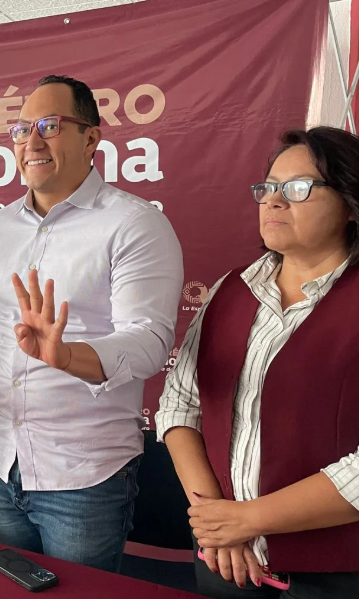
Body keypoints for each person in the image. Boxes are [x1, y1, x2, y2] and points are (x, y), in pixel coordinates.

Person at [0, 75, 184, 571]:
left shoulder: (134, 223)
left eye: (50, 126)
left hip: (84, 476)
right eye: (22, 129)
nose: (32, 141)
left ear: (90, 139)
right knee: (16, 586)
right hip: (2, 461)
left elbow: (149, 341)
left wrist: (65, 357)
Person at [156, 127, 359, 599]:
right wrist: (214, 522)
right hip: (224, 560)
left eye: (298, 188)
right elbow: (179, 404)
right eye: (267, 188)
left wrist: (247, 520)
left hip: (336, 573)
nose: (273, 201)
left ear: (351, 204)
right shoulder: (232, 289)